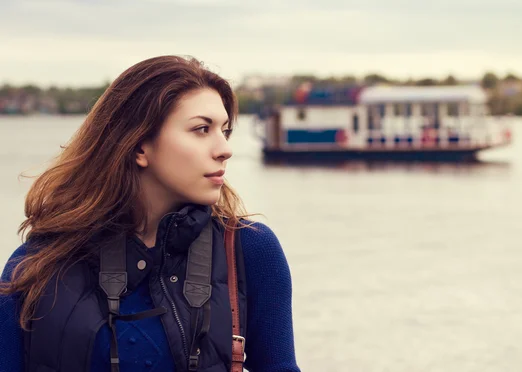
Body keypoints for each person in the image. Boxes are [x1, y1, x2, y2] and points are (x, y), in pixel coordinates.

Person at [0, 55, 301, 372]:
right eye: (201, 129)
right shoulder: (36, 266)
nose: (224, 148)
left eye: (224, 131)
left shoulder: (248, 250)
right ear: (140, 145)